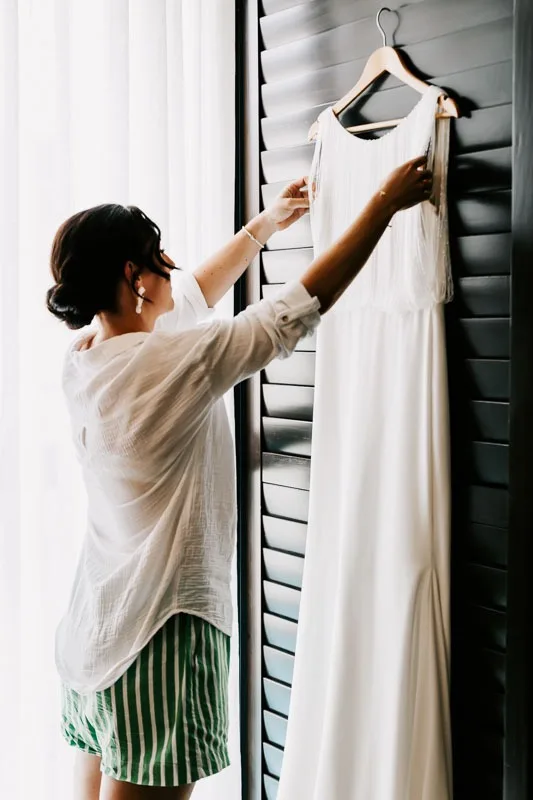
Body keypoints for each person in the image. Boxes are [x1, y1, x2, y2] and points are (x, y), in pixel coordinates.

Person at [46, 155, 432, 800]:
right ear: (134, 275)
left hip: (96, 633)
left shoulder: (85, 358)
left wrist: (266, 225)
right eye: (162, 260)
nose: (174, 270)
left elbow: (187, 303)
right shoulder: (173, 362)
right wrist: (382, 205)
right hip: (161, 634)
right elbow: (293, 310)